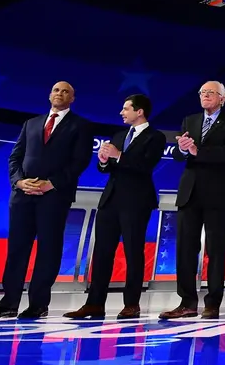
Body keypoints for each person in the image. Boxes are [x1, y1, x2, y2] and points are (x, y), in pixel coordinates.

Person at [0, 81, 93, 320]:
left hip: (54, 196)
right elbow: (15, 157)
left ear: (72, 98)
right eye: (55, 90)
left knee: (48, 251)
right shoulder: (31, 123)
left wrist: (51, 183)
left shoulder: (80, 126)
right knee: (17, 249)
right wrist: (19, 182)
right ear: (49, 94)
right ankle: (9, 303)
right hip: (22, 196)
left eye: (65, 91)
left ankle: (38, 304)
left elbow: (79, 161)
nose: (59, 94)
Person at [65, 94, 166, 320]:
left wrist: (118, 156)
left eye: (126, 109)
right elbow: (108, 168)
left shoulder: (155, 137)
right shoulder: (119, 135)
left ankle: (132, 304)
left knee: (133, 252)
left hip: (137, 201)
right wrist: (103, 160)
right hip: (111, 200)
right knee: (102, 253)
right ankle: (94, 303)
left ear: (139, 111)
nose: (122, 113)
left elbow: (145, 166)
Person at [161, 81, 225, 320]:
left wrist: (198, 152)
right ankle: (186, 302)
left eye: (210, 93)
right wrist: (183, 150)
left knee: (215, 251)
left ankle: (213, 303)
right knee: (185, 249)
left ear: (222, 98)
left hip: (218, 193)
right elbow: (178, 154)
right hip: (190, 192)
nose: (205, 96)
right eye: (202, 93)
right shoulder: (190, 120)